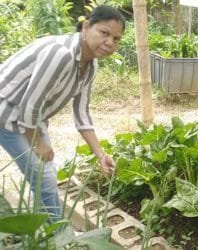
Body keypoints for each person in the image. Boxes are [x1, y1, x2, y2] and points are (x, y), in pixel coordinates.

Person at [0, 5, 125, 222]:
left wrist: (101, 155)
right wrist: (38, 142)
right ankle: (57, 236)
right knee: (44, 178)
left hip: (31, 118)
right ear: (86, 27)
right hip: (7, 113)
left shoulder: (90, 65)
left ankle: (48, 233)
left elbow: (82, 113)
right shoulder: (61, 53)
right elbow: (31, 103)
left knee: (45, 177)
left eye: (116, 38)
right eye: (104, 33)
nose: (110, 42)